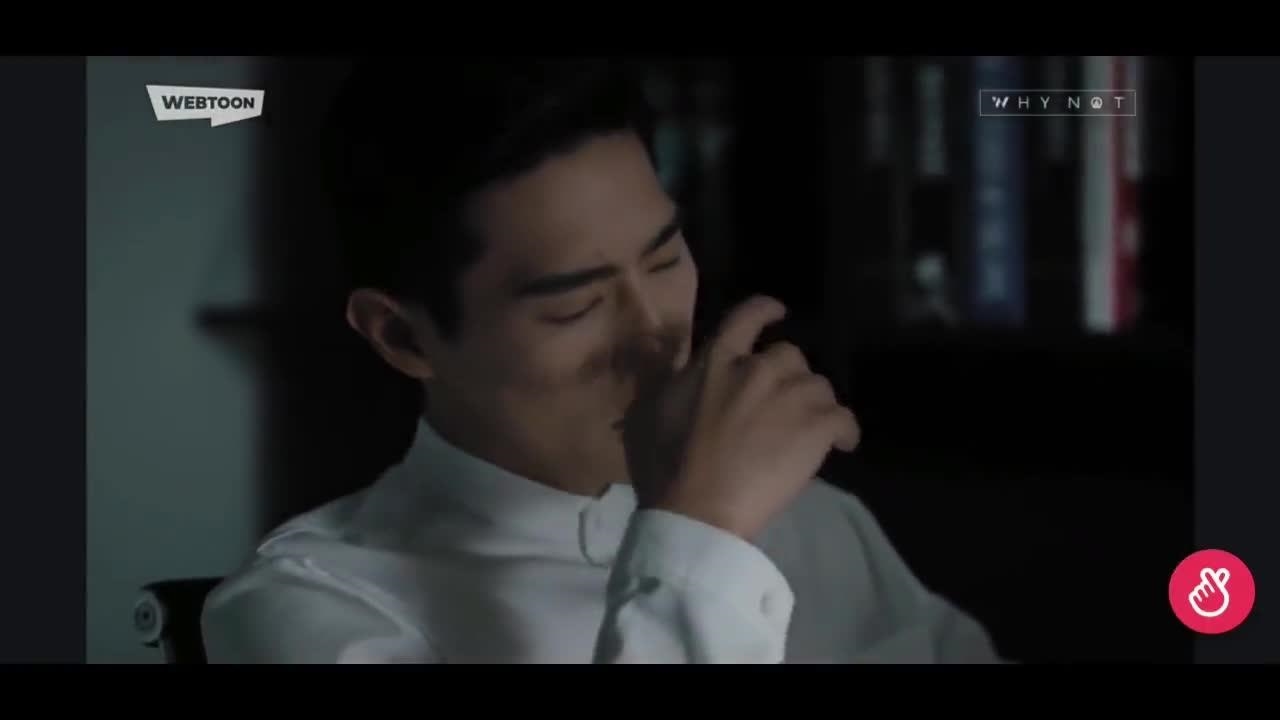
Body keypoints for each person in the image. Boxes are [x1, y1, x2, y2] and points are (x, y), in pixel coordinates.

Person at [200, 58, 1002, 664]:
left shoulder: (813, 518)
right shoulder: (315, 608)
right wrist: (700, 538)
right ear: (403, 337)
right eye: (575, 305)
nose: (657, 334)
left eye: (665, 258)